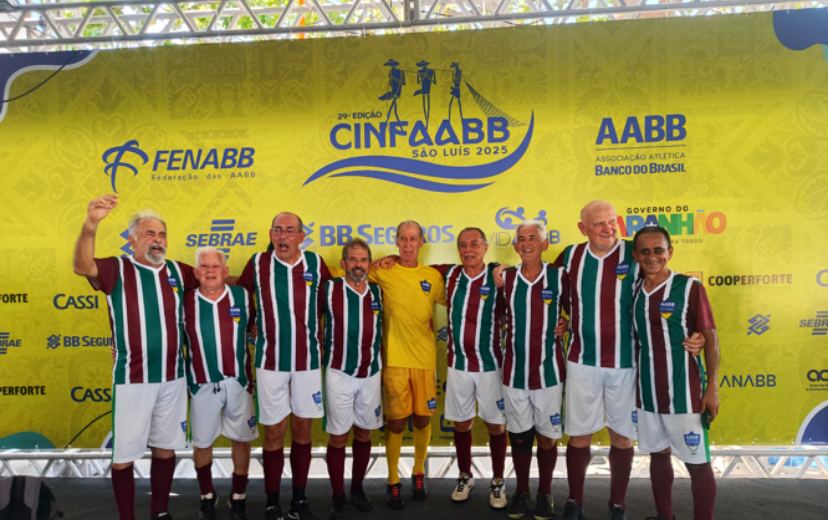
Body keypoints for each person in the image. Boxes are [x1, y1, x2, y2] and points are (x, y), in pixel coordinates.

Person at [551, 201, 704, 520]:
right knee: (579, 435)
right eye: (599, 223)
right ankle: (575, 501)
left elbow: (667, 291)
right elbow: (545, 285)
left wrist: (697, 333)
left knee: (621, 437)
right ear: (583, 228)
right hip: (582, 361)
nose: (608, 228)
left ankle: (617, 504)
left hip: (627, 364)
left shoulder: (635, 253)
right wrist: (501, 271)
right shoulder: (570, 256)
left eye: (612, 221)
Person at [73, 194, 199, 520]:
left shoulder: (178, 271)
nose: (157, 240)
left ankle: (160, 512)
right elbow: (81, 266)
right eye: (149, 234)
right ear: (132, 240)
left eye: (162, 234)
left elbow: (214, 284)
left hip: (173, 377)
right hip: (133, 378)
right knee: (124, 456)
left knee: (165, 449)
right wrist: (91, 224)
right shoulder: (116, 268)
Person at [375, 228, 509, 507]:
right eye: (463, 245)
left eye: (474, 244)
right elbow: (409, 267)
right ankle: (464, 476)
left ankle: (498, 481)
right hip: (458, 364)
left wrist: (503, 267)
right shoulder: (448, 275)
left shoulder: (498, 277)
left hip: (490, 364)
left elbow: (528, 296)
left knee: (496, 425)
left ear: (485, 247)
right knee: (461, 423)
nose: (469, 249)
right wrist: (392, 258)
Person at [237, 212, 332, 520]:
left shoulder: (315, 264)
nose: (283, 236)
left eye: (290, 230)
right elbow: (239, 298)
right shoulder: (258, 263)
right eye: (278, 230)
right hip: (270, 363)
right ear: (271, 234)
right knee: (274, 432)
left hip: (307, 362)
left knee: (303, 429)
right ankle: (272, 500)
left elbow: (332, 300)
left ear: (301, 236)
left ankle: (299, 500)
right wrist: (251, 322)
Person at [630, 226, 719, 520]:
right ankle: (664, 516)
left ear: (670, 252)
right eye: (645, 251)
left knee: (697, 462)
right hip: (648, 391)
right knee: (658, 454)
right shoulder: (634, 291)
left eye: (659, 250)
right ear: (636, 256)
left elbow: (710, 337)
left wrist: (712, 388)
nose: (652, 256)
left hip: (685, 391)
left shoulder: (689, 287)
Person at [368, 220, 446, 509]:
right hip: (395, 361)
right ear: (397, 241)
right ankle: (392, 480)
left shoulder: (433, 277)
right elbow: (353, 271)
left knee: (423, 419)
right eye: (403, 238)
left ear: (421, 242)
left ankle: (418, 473)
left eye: (413, 238)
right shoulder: (383, 270)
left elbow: (457, 303)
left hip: (425, 360)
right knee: (397, 422)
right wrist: (381, 259)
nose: (408, 244)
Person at [499, 219, 569, 520]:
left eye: (532, 238)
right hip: (514, 373)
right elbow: (495, 315)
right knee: (519, 436)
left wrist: (566, 323)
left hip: (549, 372)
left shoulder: (559, 276)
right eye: (521, 239)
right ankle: (522, 490)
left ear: (544, 244)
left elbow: (578, 311)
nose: (526, 243)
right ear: (516, 246)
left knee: (547, 437)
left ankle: (545, 493)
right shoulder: (505, 278)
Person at [183, 247, 257, 520]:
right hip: (202, 384)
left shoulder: (242, 296)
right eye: (204, 266)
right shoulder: (184, 302)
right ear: (196, 272)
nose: (210, 270)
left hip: (238, 383)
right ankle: (207, 496)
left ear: (225, 272)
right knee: (202, 444)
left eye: (216, 266)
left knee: (241, 440)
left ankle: (238, 496)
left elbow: (253, 326)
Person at [322, 239, 384, 520]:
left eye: (363, 260)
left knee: (364, 433)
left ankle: (357, 488)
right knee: (338, 436)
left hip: (370, 373)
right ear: (343, 263)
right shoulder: (330, 289)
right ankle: (337, 496)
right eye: (353, 259)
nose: (358, 265)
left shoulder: (377, 291)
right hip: (339, 373)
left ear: (369, 264)